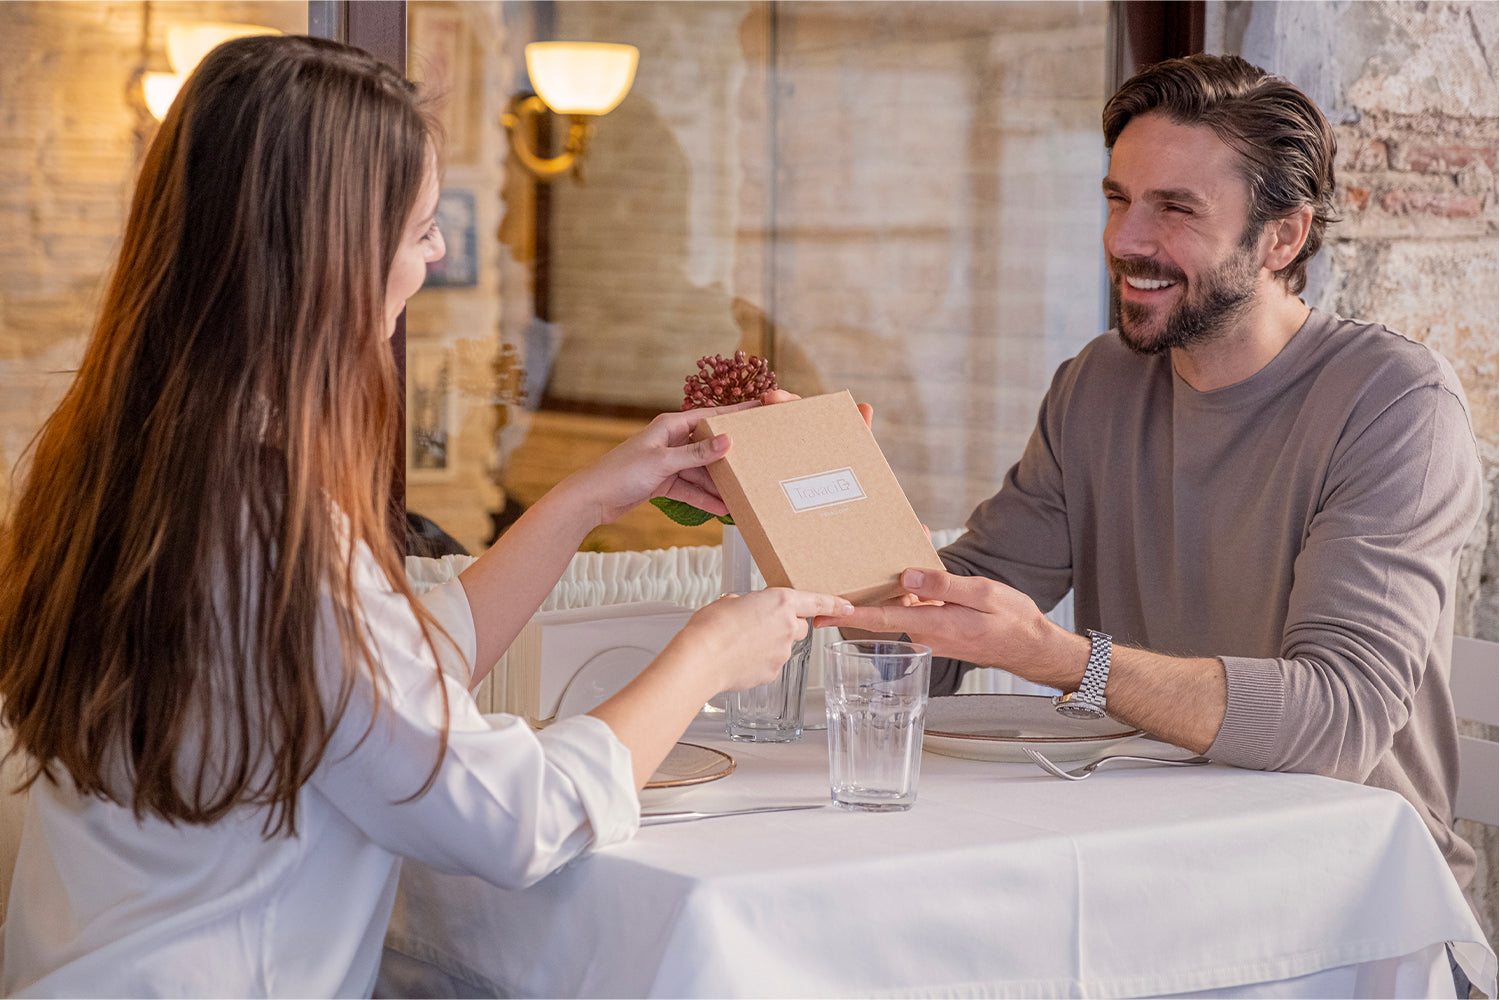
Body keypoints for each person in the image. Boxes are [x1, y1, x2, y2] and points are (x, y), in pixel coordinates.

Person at [0, 35, 848, 997]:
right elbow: (509, 819)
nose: (439, 254)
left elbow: (381, 678)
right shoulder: (276, 519)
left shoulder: (130, 456)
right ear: (327, 255)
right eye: (419, 230)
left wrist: (582, 499)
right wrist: (706, 658)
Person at [825, 50, 1482, 934]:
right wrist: (808, 487)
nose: (1127, 239)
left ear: (1282, 236)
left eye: (1175, 209)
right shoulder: (1098, 381)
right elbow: (939, 620)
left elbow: (1340, 719)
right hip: (1139, 862)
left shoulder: (1394, 402)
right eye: (1118, 199)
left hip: (1342, 899)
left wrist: (1065, 660)